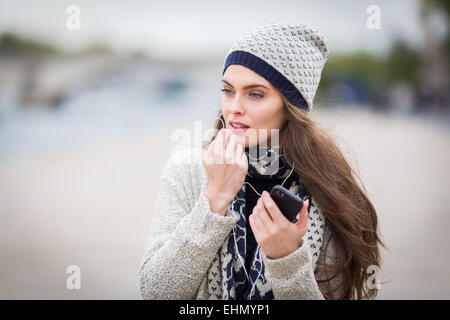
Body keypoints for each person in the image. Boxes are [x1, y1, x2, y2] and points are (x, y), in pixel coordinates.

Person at [139, 21, 384, 300]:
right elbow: (156, 293)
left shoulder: (330, 189)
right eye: (228, 90)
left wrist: (286, 259)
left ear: (292, 107)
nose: (234, 108)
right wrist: (214, 199)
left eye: (255, 94)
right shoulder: (187, 171)